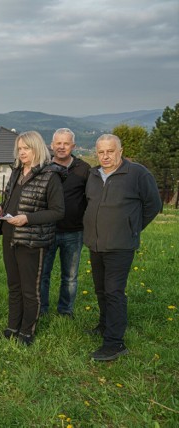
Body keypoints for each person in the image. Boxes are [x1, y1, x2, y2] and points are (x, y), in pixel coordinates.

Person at [83, 134, 161, 361]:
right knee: (100, 289)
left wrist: (131, 227)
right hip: (96, 243)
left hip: (120, 245)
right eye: (101, 152)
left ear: (120, 151)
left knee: (114, 291)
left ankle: (115, 343)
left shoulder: (137, 173)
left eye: (110, 151)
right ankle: (105, 325)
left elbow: (153, 205)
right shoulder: (93, 174)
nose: (105, 156)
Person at [0, 131, 64, 346]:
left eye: (26, 148)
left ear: (37, 149)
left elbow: (58, 211)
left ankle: (27, 333)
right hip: (10, 236)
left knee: (29, 289)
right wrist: (0, 207)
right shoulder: (16, 171)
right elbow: (8, 199)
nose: (22, 152)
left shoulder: (50, 176)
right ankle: (12, 328)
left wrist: (27, 218)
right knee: (14, 286)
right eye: (20, 148)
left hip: (32, 240)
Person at [39, 128, 90, 317]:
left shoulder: (83, 169)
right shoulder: (43, 166)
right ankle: (42, 309)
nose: (61, 147)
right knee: (43, 274)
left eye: (66, 143)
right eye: (58, 143)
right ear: (51, 145)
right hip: (46, 229)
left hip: (74, 231)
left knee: (70, 276)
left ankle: (65, 311)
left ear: (73, 146)